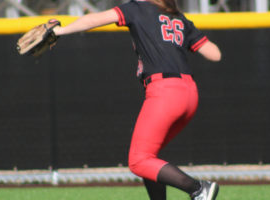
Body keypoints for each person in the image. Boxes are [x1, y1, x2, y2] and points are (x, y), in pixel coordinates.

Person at [53, 0, 221, 199]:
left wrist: (60, 32)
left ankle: (198, 189)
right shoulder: (178, 18)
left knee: (138, 160)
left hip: (164, 90)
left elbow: (96, 19)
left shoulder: (137, 8)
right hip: (189, 94)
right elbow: (214, 54)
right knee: (149, 158)